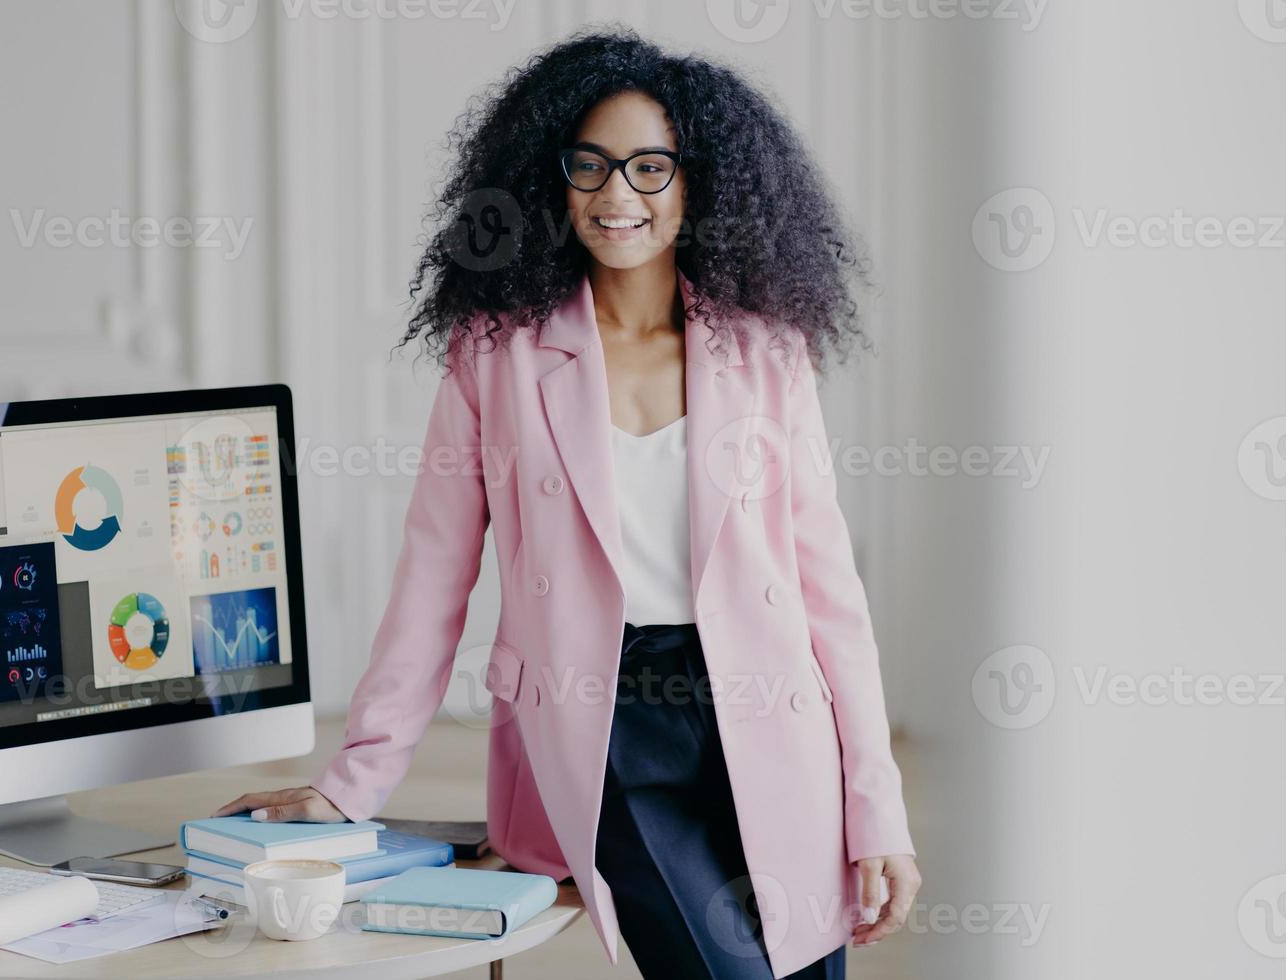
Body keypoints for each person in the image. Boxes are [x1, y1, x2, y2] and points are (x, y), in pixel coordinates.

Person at [215, 28, 920, 978]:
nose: (615, 194)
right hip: (606, 723)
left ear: (699, 182)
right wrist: (354, 784)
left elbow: (830, 592)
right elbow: (432, 582)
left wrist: (878, 809)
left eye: (648, 167)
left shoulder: (766, 353)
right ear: (551, 178)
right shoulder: (494, 355)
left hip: (767, 714)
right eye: (588, 165)